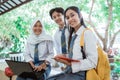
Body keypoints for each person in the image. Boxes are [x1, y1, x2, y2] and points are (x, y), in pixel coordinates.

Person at [47, 6, 98, 80]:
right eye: (67, 18)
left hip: (81, 73)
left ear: (80, 15)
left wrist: (70, 64)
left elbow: (92, 62)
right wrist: (62, 58)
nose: (70, 19)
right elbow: (76, 55)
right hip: (70, 70)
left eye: (72, 15)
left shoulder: (87, 33)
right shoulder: (74, 35)